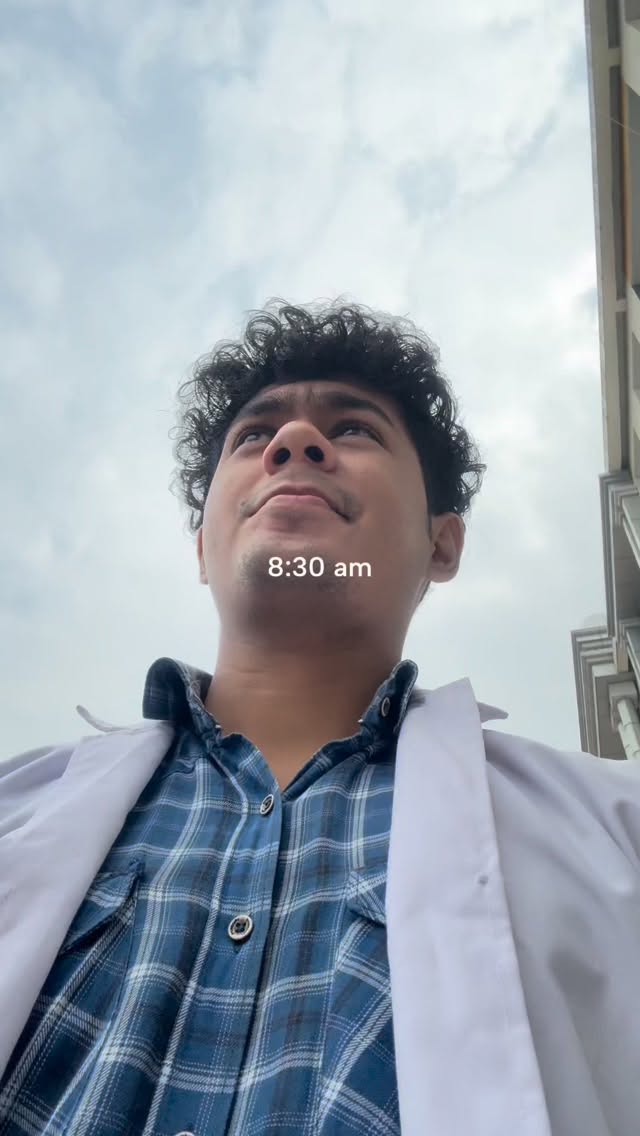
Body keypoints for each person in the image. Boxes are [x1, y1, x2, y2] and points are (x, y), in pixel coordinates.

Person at [1, 299, 639, 1136]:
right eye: (254, 435)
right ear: (201, 548)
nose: (294, 443)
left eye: (354, 429)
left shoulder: (615, 833)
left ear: (443, 544)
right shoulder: (16, 811)